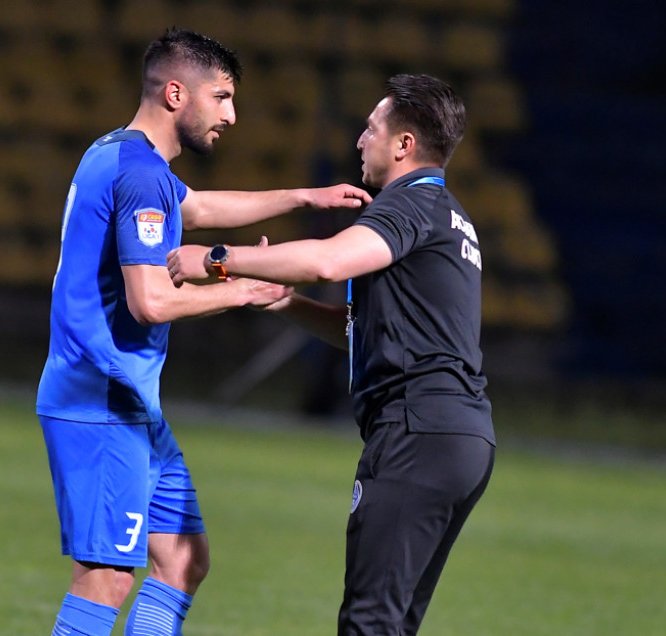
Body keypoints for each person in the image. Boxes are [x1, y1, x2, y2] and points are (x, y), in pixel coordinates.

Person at [35, 29, 371, 636]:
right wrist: (240, 288)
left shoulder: (121, 156)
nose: (231, 115)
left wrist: (304, 196)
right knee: (107, 578)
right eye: (220, 97)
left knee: (184, 561)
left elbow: (203, 209)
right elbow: (150, 301)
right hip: (100, 398)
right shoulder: (140, 176)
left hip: (129, 402)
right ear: (174, 94)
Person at [168, 74, 496, 636]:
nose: (360, 141)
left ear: (403, 145)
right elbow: (369, 330)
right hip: (460, 435)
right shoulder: (448, 215)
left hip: (418, 431)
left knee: (367, 624)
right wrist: (290, 305)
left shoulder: (410, 206)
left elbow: (328, 261)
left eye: (371, 129)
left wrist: (219, 259)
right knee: (389, 625)